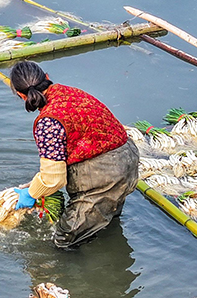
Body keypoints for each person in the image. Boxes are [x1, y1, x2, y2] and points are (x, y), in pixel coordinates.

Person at [9, 60, 139, 248]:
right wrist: (35, 184)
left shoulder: (48, 122)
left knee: (64, 239)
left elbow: (54, 180)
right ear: (47, 77)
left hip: (104, 175)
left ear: (22, 96)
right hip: (128, 159)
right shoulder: (72, 92)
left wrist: (31, 194)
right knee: (107, 217)